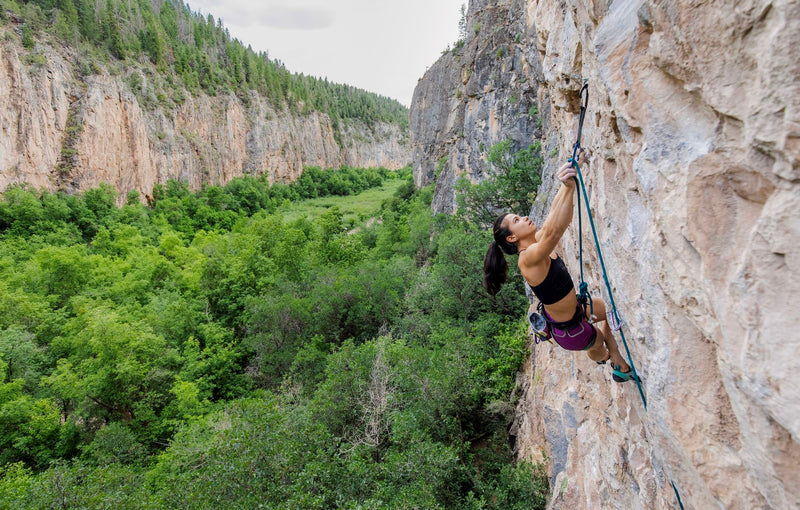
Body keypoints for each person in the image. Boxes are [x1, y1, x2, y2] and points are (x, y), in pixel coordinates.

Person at [482, 151, 637, 382]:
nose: (524, 217)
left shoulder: (537, 241)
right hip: (571, 331)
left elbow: (553, 214)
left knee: (614, 308)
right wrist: (570, 188)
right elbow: (555, 231)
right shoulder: (528, 258)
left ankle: (616, 363)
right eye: (517, 221)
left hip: (577, 308)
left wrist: (566, 182)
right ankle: (614, 364)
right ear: (512, 238)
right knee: (600, 345)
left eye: (519, 216)